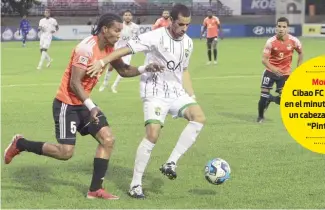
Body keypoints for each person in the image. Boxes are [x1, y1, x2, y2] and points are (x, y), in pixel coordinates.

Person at [4, 13, 163, 200]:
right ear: (105, 29)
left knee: (108, 139)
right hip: (67, 103)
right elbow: (74, 83)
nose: (119, 34)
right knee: (65, 153)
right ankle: (20, 144)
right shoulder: (85, 49)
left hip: (85, 103)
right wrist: (91, 106)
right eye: (116, 30)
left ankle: (95, 190)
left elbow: (124, 70)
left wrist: (145, 68)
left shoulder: (110, 47)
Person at [86, 3, 206, 199]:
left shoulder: (189, 43)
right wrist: (103, 61)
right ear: (171, 21)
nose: (184, 29)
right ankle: (135, 185)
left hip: (176, 92)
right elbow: (126, 50)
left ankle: (171, 163)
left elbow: (184, 70)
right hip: (154, 91)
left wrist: (191, 95)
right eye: (181, 24)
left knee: (199, 117)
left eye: (187, 25)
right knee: (153, 134)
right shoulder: (155, 36)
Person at [257, 17, 303, 123]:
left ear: (288, 28)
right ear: (276, 27)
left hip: (285, 74)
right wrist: (274, 68)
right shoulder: (270, 42)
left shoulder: (294, 41)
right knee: (263, 95)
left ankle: (271, 99)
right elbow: (264, 60)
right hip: (270, 72)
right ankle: (260, 117)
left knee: (284, 100)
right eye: (279, 26)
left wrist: (299, 68)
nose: (281, 29)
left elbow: (300, 53)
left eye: (284, 27)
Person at [99, 10, 140, 93]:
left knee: (124, 69)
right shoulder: (119, 25)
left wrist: (135, 48)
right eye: (126, 15)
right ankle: (105, 83)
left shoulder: (136, 27)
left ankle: (114, 86)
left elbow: (137, 38)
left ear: (132, 17)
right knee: (110, 67)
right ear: (123, 16)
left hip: (127, 50)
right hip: (117, 48)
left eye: (129, 15)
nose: (127, 16)